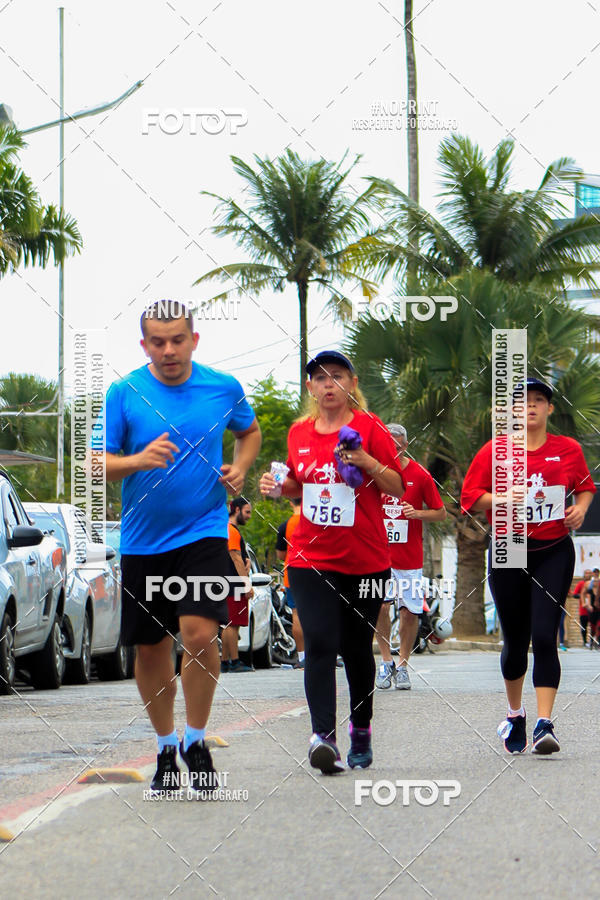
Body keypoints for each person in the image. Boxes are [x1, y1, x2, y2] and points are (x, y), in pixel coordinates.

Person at [104, 300, 261, 796]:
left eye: (177, 339)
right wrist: (138, 460)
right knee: (150, 649)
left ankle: (196, 740)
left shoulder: (223, 387)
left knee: (197, 634)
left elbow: (249, 431)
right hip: (143, 541)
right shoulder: (123, 392)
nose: (168, 350)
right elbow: (94, 465)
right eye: (158, 341)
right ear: (144, 345)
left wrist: (241, 468)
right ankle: (166, 746)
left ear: (195, 339)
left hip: (204, 531)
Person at [260, 350, 405, 773]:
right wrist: (277, 485)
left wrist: (367, 462)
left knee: (357, 649)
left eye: (337, 376)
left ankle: (361, 728)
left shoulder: (370, 428)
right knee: (320, 642)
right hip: (311, 556)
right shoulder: (299, 432)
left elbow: (396, 487)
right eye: (320, 378)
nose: (328, 384)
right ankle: (323, 736)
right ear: (310, 388)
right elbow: (296, 486)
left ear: (351, 384)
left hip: (366, 558)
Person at [461, 377, 595, 755]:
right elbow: (470, 498)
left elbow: (585, 486)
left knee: (544, 635)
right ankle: (515, 713)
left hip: (553, 549)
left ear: (550, 409)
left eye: (539, 400)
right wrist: (503, 496)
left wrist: (580, 509)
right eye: (523, 401)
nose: (531, 406)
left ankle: (544, 723)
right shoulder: (495, 451)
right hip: (508, 547)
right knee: (516, 640)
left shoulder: (566, 449)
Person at [374, 424, 446, 691]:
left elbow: (440, 512)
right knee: (380, 607)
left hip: (410, 559)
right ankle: (385, 661)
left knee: (409, 612)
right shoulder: (373, 472)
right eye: (386, 444)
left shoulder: (420, 475)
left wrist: (417, 513)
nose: (391, 449)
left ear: (404, 446)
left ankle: (402, 665)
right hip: (378, 557)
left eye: (395, 445)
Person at [222, 498, 254, 673]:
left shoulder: (226, 529)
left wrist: (246, 561)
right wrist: (247, 585)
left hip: (226, 582)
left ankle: (225, 662)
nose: (248, 516)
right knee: (232, 624)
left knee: (228, 624)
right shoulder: (231, 530)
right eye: (247, 512)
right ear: (236, 510)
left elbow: (236, 556)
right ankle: (234, 662)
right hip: (233, 583)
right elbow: (235, 557)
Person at [276, 497, 305, 668]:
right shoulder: (314, 521)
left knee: (297, 615)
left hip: (292, 574)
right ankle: (323, 654)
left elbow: (280, 555)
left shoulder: (285, 526)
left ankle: (302, 657)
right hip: (317, 573)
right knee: (318, 614)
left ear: (290, 502)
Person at [572, 568, 592, 647]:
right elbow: (574, 594)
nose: (588, 574)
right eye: (587, 573)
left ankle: (592, 642)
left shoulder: (593, 583)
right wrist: (582, 595)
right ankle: (585, 642)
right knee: (584, 627)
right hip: (583, 609)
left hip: (592, 609)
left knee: (593, 626)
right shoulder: (581, 584)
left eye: (590, 573)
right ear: (584, 574)